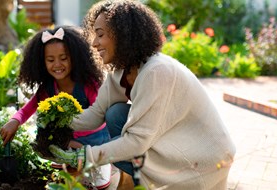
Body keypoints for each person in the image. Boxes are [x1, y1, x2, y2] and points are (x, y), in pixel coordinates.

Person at [48, 1, 236, 189]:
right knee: (116, 114)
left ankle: (143, 183)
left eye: (100, 35)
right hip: (173, 140)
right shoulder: (121, 71)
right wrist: (58, 120)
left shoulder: (156, 71)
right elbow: (95, 114)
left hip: (202, 160)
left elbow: (136, 143)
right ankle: (137, 181)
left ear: (122, 35)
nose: (94, 43)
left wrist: (85, 156)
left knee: (120, 147)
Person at [0, 26, 112, 189]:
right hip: (69, 139)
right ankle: (70, 160)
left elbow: (101, 117)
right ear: (42, 63)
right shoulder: (48, 88)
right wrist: (14, 121)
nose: (57, 65)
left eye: (63, 58)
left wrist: (77, 142)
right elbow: (27, 109)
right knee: (43, 138)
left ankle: (94, 162)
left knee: (97, 180)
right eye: (50, 60)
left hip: (94, 139)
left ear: (75, 58)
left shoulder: (88, 85)